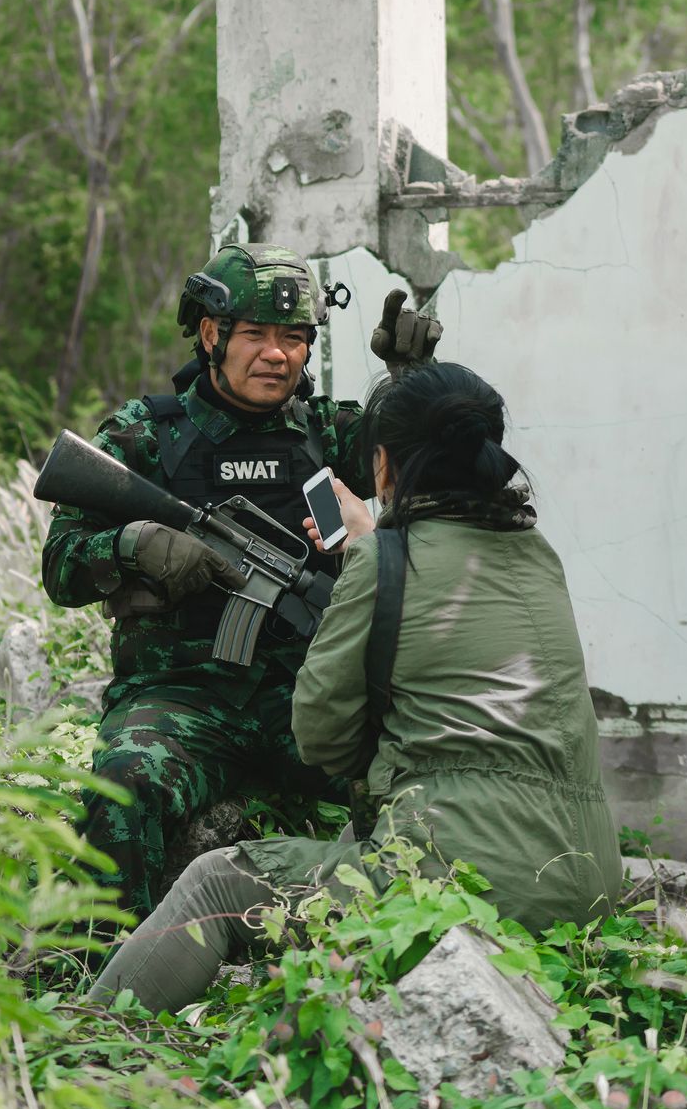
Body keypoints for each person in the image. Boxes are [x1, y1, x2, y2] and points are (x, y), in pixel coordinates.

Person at [88, 362, 620, 1012]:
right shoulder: (540, 558)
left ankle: (90, 1038)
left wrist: (370, 560)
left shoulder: (381, 562)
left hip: (470, 885)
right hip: (585, 883)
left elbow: (320, 740)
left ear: (385, 470)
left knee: (216, 885)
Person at [41, 242, 441, 918]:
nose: (277, 355)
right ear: (209, 334)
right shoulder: (144, 438)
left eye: (293, 338)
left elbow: (433, 462)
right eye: (254, 335)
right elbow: (61, 567)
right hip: (181, 703)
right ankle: (101, 978)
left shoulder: (329, 432)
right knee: (120, 785)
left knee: (415, 790)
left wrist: (410, 383)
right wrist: (134, 544)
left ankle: (396, 945)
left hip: (308, 701)